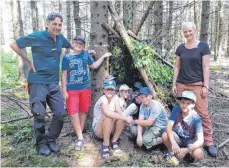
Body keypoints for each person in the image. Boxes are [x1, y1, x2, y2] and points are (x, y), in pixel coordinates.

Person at [9, 12, 71, 156]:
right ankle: (41, 143)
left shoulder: (61, 39)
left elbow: (73, 46)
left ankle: (51, 139)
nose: (57, 27)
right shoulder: (37, 36)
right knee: (39, 114)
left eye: (60, 24)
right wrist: (27, 60)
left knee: (60, 113)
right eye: (54, 24)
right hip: (37, 82)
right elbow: (14, 44)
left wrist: (88, 51)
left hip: (53, 83)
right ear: (47, 24)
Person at [171, 21, 217, 157]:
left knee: (202, 113)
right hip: (182, 84)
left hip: (197, 84)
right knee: (182, 111)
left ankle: (208, 142)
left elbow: (206, 67)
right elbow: (177, 67)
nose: (188, 33)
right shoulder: (180, 48)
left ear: (195, 30)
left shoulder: (203, 46)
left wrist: (205, 85)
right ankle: (181, 138)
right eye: (185, 31)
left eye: (190, 31)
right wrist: (174, 84)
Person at [61, 35, 112, 151]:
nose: (78, 45)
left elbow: (93, 66)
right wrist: (64, 90)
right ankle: (79, 137)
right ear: (73, 43)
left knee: (83, 110)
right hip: (71, 89)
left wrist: (103, 56)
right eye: (76, 42)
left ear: (83, 46)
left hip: (85, 88)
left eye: (81, 43)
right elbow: (64, 74)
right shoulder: (66, 57)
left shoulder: (85, 55)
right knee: (73, 113)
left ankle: (80, 135)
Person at [92, 77, 133, 159]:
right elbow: (107, 112)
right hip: (99, 129)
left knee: (121, 117)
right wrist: (125, 118)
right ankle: (105, 145)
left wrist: (126, 118)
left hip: (110, 128)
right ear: (104, 91)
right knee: (108, 116)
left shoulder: (115, 98)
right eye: (108, 89)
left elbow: (119, 111)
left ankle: (114, 141)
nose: (110, 91)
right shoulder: (103, 99)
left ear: (114, 91)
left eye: (111, 90)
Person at [162, 90, 204, 165]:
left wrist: (187, 150)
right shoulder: (176, 109)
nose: (184, 105)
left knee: (199, 154)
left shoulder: (196, 118)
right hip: (178, 138)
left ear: (193, 104)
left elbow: (201, 140)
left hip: (190, 142)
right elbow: (169, 126)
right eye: (182, 102)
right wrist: (173, 142)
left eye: (188, 103)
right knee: (165, 135)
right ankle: (172, 153)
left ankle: (187, 155)